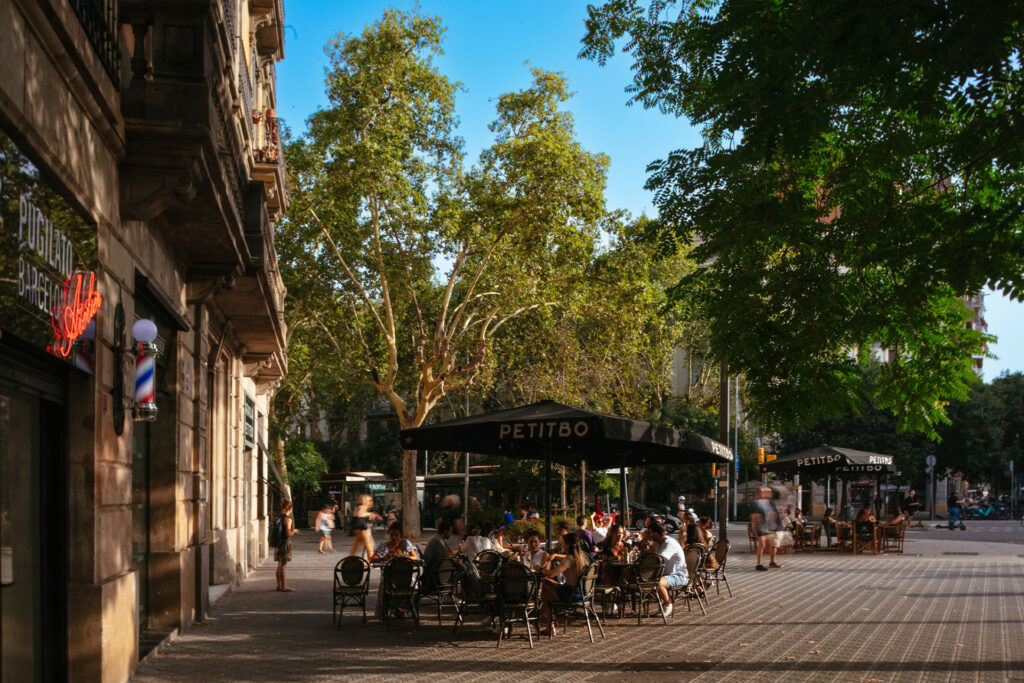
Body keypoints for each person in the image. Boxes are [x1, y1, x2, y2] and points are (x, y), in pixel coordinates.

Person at [539, 532, 589, 635]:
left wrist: (542, 570)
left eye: (564, 544)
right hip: (584, 595)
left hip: (571, 595)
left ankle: (550, 625)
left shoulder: (569, 559)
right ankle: (549, 619)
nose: (563, 546)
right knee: (547, 592)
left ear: (568, 545)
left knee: (545, 584)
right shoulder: (582, 557)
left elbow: (552, 574)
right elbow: (565, 559)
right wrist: (556, 555)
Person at [645, 519, 686, 618]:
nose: (649, 535)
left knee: (657, 583)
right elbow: (645, 557)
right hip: (665, 575)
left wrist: (651, 549)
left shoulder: (669, 543)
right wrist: (643, 544)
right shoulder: (657, 543)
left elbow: (659, 560)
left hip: (677, 575)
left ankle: (667, 604)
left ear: (655, 533)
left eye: (650, 533)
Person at [274, 499, 299, 592]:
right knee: (283, 565)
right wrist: (294, 532)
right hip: (284, 544)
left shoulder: (279, 517)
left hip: (278, 544)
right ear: (290, 508)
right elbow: (288, 534)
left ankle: (279, 585)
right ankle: (283, 586)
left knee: (279, 564)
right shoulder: (287, 519)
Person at [752, 486, 780, 571]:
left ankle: (772, 562)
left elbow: (774, 512)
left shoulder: (770, 502)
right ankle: (759, 564)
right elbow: (755, 515)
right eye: (764, 492)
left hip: (770, 526)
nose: (766, 493)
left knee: (774, 544)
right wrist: (756, 526)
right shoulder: (757, 503)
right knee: (762, 545)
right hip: (761, 526)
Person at [348, 494, 380, 559]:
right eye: (369, 500)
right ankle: (371, 562)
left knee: (355, 547)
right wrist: (370, 514)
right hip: (362, 529)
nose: (371, 501)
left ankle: (350, 559)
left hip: (357, 529)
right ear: (365, 500)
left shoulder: (357, 506)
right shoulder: (363, 506)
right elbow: (360, 515)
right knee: (369, 546)